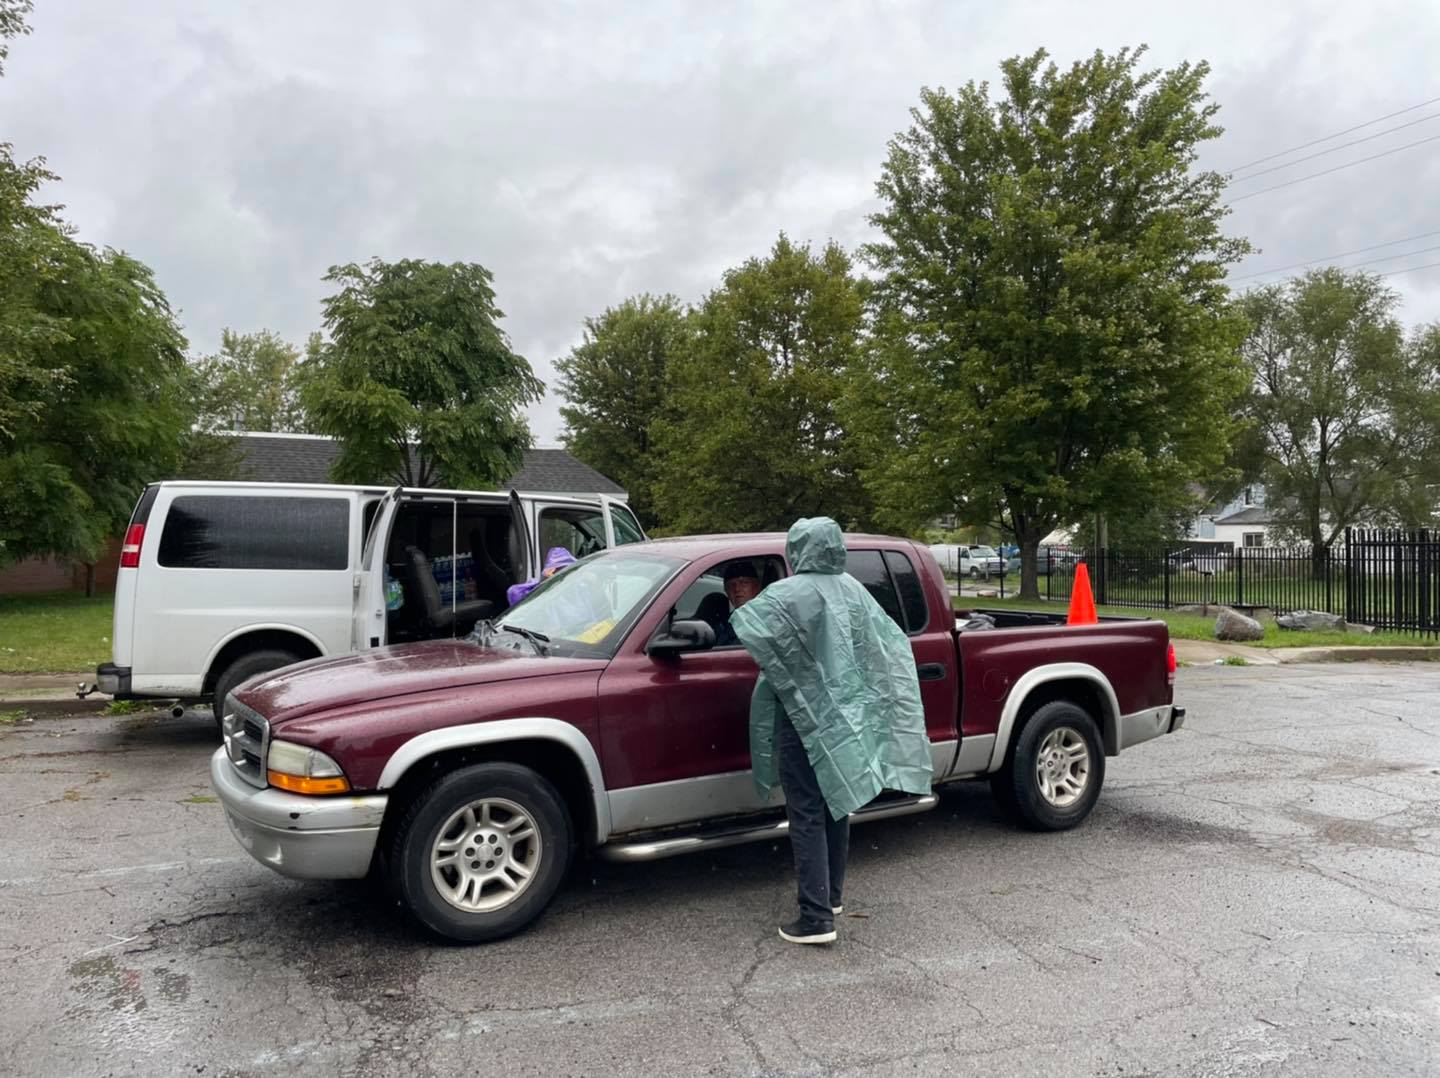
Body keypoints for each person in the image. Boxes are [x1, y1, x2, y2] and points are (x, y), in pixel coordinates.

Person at [731, 517, 933, 945]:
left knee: (805, 812)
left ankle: (816, 918)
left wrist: (739, 598)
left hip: (803, 720)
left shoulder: (785, 594)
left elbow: (750, 629)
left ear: (797, 549)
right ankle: (832, 897)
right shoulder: (855, 592)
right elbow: (890, 646)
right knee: (838, 805)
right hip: (849, 719)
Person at [707, 561, 762, 645]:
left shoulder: (767, 619)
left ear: (757, 587)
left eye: (744, 583)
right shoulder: (722, 625)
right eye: (731, 585)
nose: (737, 589)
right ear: (726, 591)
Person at [505, 546, 576, 607]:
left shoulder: (573, 591)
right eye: (560, 570)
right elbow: (514, 593)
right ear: (551, 570)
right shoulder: (531, 589)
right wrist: (546, 581)